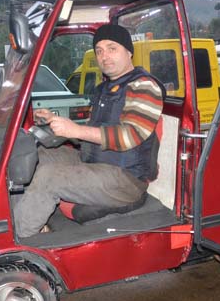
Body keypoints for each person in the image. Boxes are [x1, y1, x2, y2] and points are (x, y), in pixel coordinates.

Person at [14, 24, 164, 237]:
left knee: (49, 177)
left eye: (112, 48)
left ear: (129, 52)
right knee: (35, 157)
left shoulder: (144, 86)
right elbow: (92, 132)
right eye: (99, 51)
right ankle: (24, 218)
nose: (104, 56)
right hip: (97, 162)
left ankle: (21, 239)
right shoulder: (104, 89)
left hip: (126, 179)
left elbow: (131, 135)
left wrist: (75, 130)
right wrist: (57, 122)